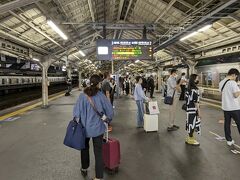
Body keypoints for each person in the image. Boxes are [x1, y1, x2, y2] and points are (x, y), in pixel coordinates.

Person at [73, 74, 114, 180]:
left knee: (84, 148)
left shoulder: (82, 96)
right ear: (99, 84)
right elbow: (109, 112)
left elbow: (76, 113)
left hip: (84, 129)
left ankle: (84, 168)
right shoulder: (101, 96)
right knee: (98, 152)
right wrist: (108, 120)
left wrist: (78, 121)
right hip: (97, 129)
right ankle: (98, 177)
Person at [219, 68, 240, 146]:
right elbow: (235, 95)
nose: (236, 78)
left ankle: (229, 140)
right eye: (236, 76)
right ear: (233, 75)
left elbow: (222, 94)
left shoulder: (221, 82)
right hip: (234, 108)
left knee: (227, 124)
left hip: (225, 107)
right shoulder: (232, 83)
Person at [185, 74, 201, 146]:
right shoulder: (194, 90)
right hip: (193, 110)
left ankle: (189, 138)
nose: (198, 80)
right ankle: (190, 139)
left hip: (189, 109)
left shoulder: (188, 89)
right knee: (193, 124)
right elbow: (196, 102)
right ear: (194, 80)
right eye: (197, 78)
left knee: (190, 123)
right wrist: (199, 112)